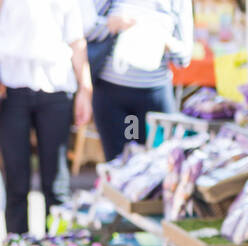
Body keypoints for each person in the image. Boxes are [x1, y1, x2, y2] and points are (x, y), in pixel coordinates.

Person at [0, 0, 93, 234]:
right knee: (16, 182)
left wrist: (85, 89)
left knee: (56, 184)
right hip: (12, 88)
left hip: (57, 88)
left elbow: (77, 41)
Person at [88, 0, 194, 161]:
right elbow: (85, 28)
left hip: (154, 97)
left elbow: (184, 57)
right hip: (111, 94)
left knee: (157, 165)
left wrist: (163, 41)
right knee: (117, 165)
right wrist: (112, 24)